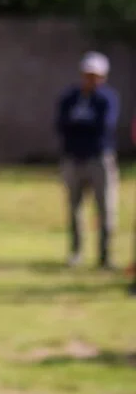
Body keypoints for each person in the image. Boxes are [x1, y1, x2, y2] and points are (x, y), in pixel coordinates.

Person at [56, 51, 120, 269]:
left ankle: (105, 256)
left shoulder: (107, 99)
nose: (91, 79)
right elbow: (61, 125)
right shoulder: (70, 97)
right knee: (74, 209)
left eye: (95, 75)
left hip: (99, 159)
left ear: (103, 77)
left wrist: (79, 125)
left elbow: (104, 127)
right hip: (73, 159)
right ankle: (76, 253)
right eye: (88, 74)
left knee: (105, 209)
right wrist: (81, 127)